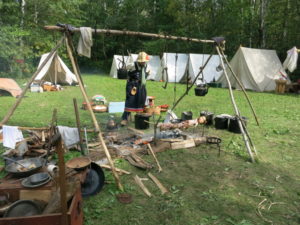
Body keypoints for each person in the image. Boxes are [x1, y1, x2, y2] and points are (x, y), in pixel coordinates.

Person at [121, 52, 150, 126]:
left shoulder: (146, 66)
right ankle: (124, 118)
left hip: (141, 86)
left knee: (141, 100)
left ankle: (138, 117)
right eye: (142, 61)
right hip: (132, 85)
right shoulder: (132, 65)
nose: (143, 63)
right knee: (130, 100)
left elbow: (146, 75)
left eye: (144, 61)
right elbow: (124, 69)